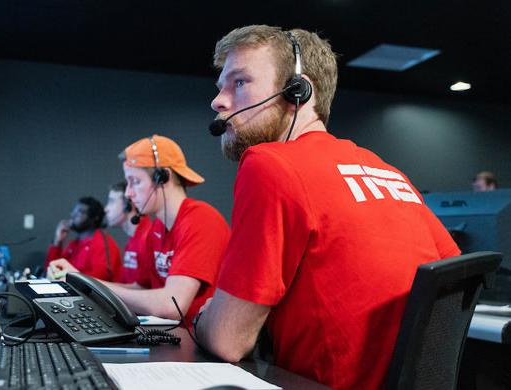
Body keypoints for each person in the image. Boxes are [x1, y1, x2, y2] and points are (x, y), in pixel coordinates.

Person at [194, 25, 461, 390]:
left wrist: (202, 318)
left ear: (298, 91)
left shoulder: (269, 162)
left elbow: (228, 339)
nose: (219, 101)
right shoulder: (386, 171)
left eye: (239, 83)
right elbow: (455, 276)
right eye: (221, 87)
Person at [48, 135, 230, 325]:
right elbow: (142, 288)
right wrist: (81, 281)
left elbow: (172, 306)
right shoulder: (157, 228)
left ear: (163, 178)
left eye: (134, 181)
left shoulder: (201, 219)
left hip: (198, 347)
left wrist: (85, 282)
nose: (128, 193)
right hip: (174, 338)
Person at [45, 197, 122, 281]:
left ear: (95, 217)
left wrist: (68, 277)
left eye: (79, 212)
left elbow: (102, 278)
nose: (73, 215)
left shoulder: (102, 242)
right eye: (73, 211)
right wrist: (57, 241)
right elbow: (52, 270)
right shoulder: (74, 244)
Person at [104, 182, 153, 285]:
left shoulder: (148, 239)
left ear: (128, 205)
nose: (106, 209)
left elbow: (144, 290)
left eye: (111, 202)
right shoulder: (134, 240)